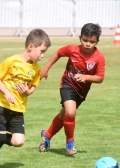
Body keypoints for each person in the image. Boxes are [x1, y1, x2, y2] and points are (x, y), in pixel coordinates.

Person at [0, 29, 51, 168]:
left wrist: (27, 92)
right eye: (41, 51)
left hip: (18, 109)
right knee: (0, 138)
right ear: (30, 46)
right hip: (2, 105)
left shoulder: (36, 69)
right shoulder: (11, 61)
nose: (43, 55)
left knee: (18, 141)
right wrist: (7, 93)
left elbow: (32, 88)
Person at [38, 23, 105, 156]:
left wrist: (86, 77)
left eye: (92, 42)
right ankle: (70, 142)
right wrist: (45, 69)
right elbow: (58, 53)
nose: (87, 44)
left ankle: (47, 135)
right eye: (85, 40)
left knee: (65, 115)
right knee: (70, 111)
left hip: (81, 92)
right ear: (80, 38)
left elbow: (100, 78)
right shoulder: (72, 49)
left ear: (97, 41)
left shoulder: (99, 58)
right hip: (67, 84)